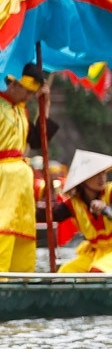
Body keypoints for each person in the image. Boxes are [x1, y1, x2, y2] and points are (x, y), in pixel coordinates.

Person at [0, 63, 55, 272]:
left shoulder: (21, 110)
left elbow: (37, 142)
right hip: (3, 177)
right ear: (14, 84)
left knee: (23, 230)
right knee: (3, 227)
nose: (30, 97)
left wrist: (45, 106)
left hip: (22, 181)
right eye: (28, 92)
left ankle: (22, 279)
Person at [57, 150, 112, 274]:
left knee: (97, 271)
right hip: (95, 253)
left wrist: (107, 209)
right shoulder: (74, 203)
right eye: (96, 174)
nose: (101, 178)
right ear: (83, 180)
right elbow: (52, 214)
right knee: (65, 271)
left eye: (103, 173)